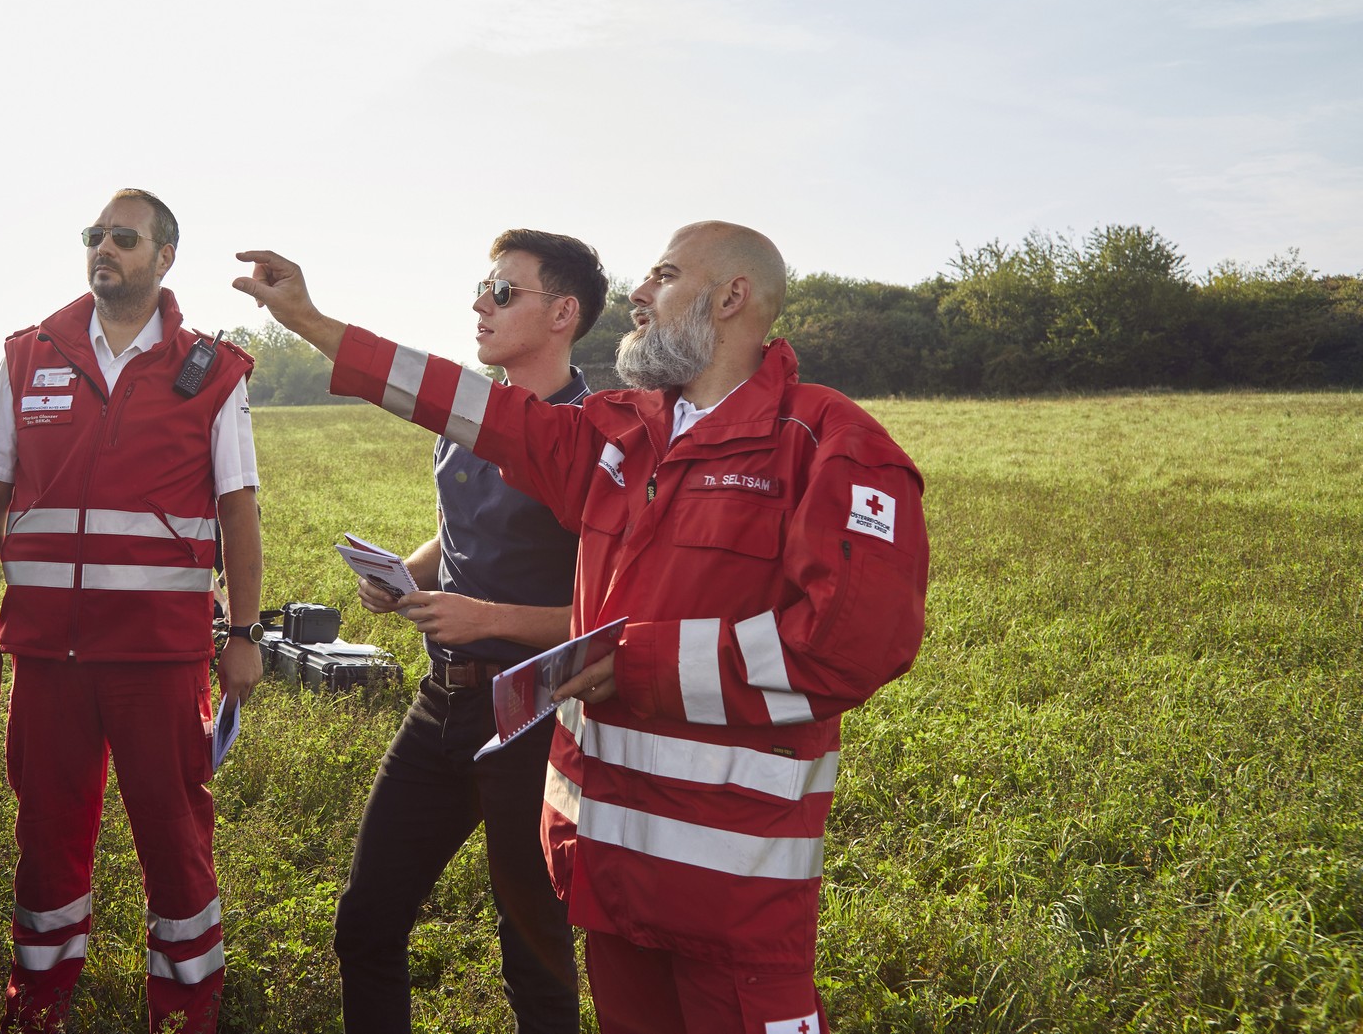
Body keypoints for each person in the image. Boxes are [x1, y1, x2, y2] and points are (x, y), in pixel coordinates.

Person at [234, 222, 928, 1034]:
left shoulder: (831, 445)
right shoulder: (621, 435)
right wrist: (314, 323)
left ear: (732, 297)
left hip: (732, 890)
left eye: (664, 276)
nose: (637, 294)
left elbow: (845, 647)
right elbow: (475, 410)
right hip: (609, 867)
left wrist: (637, 661)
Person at [0, 188, 264, 1034]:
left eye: (125, 238)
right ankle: (40, 997)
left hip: (159, 661)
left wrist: (242, 633)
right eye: (96, 235)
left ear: (165, 258)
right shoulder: (29, 356)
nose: (105, 248)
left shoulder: (212, 370)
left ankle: (187, 1004)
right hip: (48, 656)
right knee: (46, 833)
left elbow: (239, 510)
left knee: (175, 834)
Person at [334, 229, 607, 1034]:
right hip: (441, 707)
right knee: (365, 921)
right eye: (482, 288)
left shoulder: (595, 438)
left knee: (536, 957)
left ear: (562, 314)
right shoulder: (467, 420)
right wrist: (409, 575)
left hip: (535, 716)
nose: (479, 306)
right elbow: (461, 528)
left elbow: (609, 618)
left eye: (502, 292)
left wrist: (486, 619)